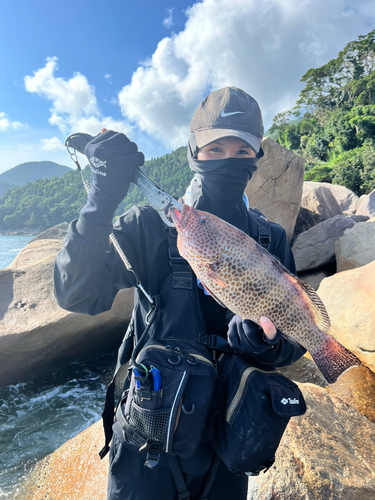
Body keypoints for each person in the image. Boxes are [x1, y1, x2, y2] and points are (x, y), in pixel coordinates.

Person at [54, 86, 306, 500]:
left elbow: (293, 341)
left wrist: (267, 345)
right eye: (215, 148)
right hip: (147, 447)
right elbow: (76, 294)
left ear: (257, 158)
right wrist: (99, 203)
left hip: (228, 448)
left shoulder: (270, 239)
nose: (230, 159)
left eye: (243, 151)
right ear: (193, 153)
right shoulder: (150, 226)